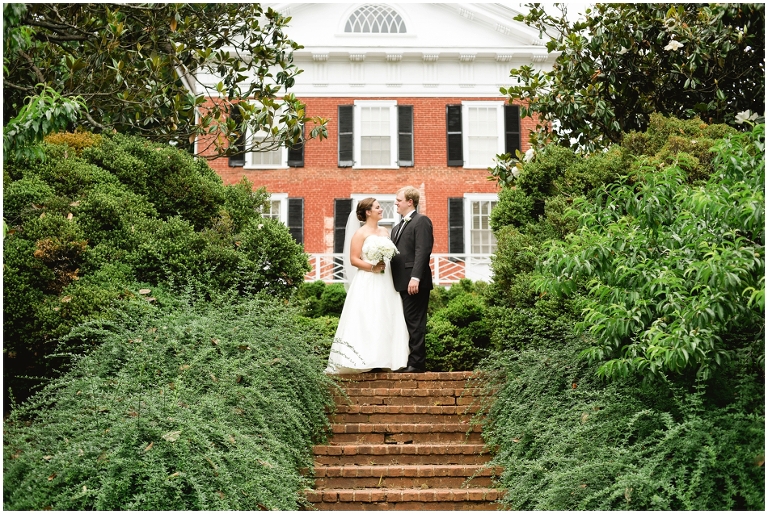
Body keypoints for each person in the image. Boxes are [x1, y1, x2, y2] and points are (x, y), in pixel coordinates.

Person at [325, 198, 410, 374]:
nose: (381, 209)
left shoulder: (385, 231)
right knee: (368, 316)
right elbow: (353, 259)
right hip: (368, 279)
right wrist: (372, 267)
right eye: (377, 207)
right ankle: (365, 359)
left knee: (386, 314)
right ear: (368, 212)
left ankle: (386, 359)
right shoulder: (360, 233)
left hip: (386, 280)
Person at [390, 186, 434, 373]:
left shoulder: (421, 221)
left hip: (414, 282)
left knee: (415, 322)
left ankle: (417, 363)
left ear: (410, 202)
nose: (395, 203)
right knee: (404, 322)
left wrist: (415, 277)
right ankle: (404, 360)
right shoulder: (396, 228)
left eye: (399, 200)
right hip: (398, 283)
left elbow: (422, 251)